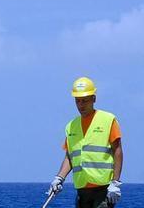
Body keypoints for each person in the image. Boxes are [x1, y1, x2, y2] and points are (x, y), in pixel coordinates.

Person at [48, 77, 123, 208]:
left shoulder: (108, 120)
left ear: (94, 99)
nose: (81, 105)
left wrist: (115, 183)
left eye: (84, 101)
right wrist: (59, 178)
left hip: (103, 189)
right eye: (77, 101)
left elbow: (117, 151)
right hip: (82, 190)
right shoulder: (71, 126)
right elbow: (70, 156)